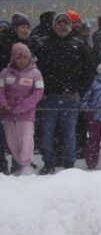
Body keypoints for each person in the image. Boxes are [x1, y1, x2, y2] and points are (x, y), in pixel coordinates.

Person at [32, 12, 95, 174]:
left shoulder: (79, 45)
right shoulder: (42, 44)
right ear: (53, 26)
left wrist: (80, 91)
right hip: (48, 97)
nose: (62, 26)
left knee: (69, 132)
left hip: (71, 97)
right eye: (59, 23)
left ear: (70, 26)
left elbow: (89, 70)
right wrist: (40, 91)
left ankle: (69, 163)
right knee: (46, 132)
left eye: (65, 23)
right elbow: (34, 70)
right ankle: (48, 162)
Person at [0, 43, 45, 175]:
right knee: (12, 141)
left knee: (26, 139)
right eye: (18, 58)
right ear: (13, 58)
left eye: (25, 57)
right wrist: (3, 103)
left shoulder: (35, 73)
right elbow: (1, 90)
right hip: (8, 114)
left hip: (26, 114)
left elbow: (38, 92)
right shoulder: (5, 73)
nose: (22, 61)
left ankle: (26, 164)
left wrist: (23, 106)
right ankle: (19, 163)